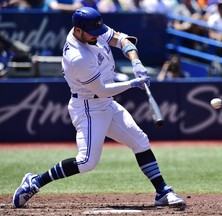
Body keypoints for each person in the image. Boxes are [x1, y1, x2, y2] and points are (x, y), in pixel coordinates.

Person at [12, 6, 186, 208]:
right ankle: (35, 182)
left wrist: (136, 62)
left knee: (140, 141)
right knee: (86, 162)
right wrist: (132, 83)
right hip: (88, 107)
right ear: (78, 30)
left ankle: (162, 191)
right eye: (92, 33)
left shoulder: (93, 30)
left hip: (106, 103)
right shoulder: (77, 56)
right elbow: (102, 90)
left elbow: (122, 40)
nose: (97, 36)